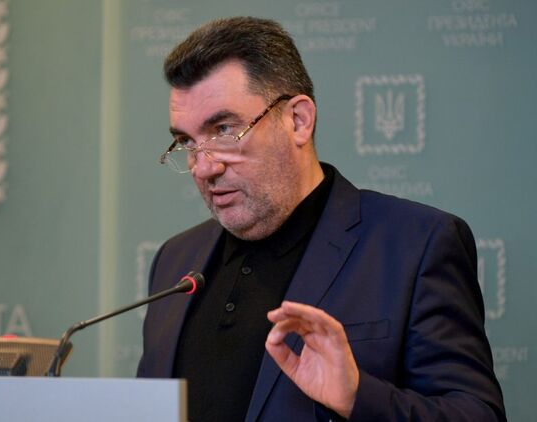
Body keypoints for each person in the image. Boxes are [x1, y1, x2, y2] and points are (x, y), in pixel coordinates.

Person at [136, 16, 506, 422]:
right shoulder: (175, 260)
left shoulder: (416, 246)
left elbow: (477, 415)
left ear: (298, 120)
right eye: (187, 141)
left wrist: (357, 396)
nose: (203, 167)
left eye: (224, 129)